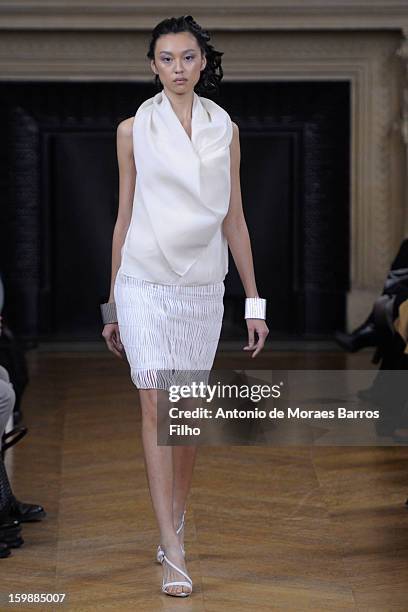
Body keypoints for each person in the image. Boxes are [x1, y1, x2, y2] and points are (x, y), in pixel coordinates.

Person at [101, 15, 269, 597]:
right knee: (154, 400)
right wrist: (111, 304)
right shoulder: (131, 130)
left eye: (188, 57)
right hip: (143, 280)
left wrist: (254, 300)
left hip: (202, 284)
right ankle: (172, 548)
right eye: (167, 58)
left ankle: (176, 517)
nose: (177, 68)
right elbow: (122, 218)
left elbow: (235, 217)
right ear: (153, 65)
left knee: (185, 412)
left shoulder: (227, 130)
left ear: (203, 62)